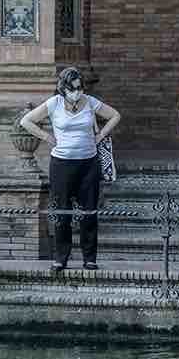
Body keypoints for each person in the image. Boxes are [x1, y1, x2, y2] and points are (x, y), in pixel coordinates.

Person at [20, 67, 121, 272]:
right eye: (73, 88)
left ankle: (89, 258)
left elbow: (115, 116)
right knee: (62, 212)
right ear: (64, 88)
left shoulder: (90, 102)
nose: (78, 91)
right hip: (62, 163)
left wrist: (100, 135)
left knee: (89, 212)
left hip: (88, 163)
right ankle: (60, 257)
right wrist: (48, 138)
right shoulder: (54, 103)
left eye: (80, 87)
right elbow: (26, 121)